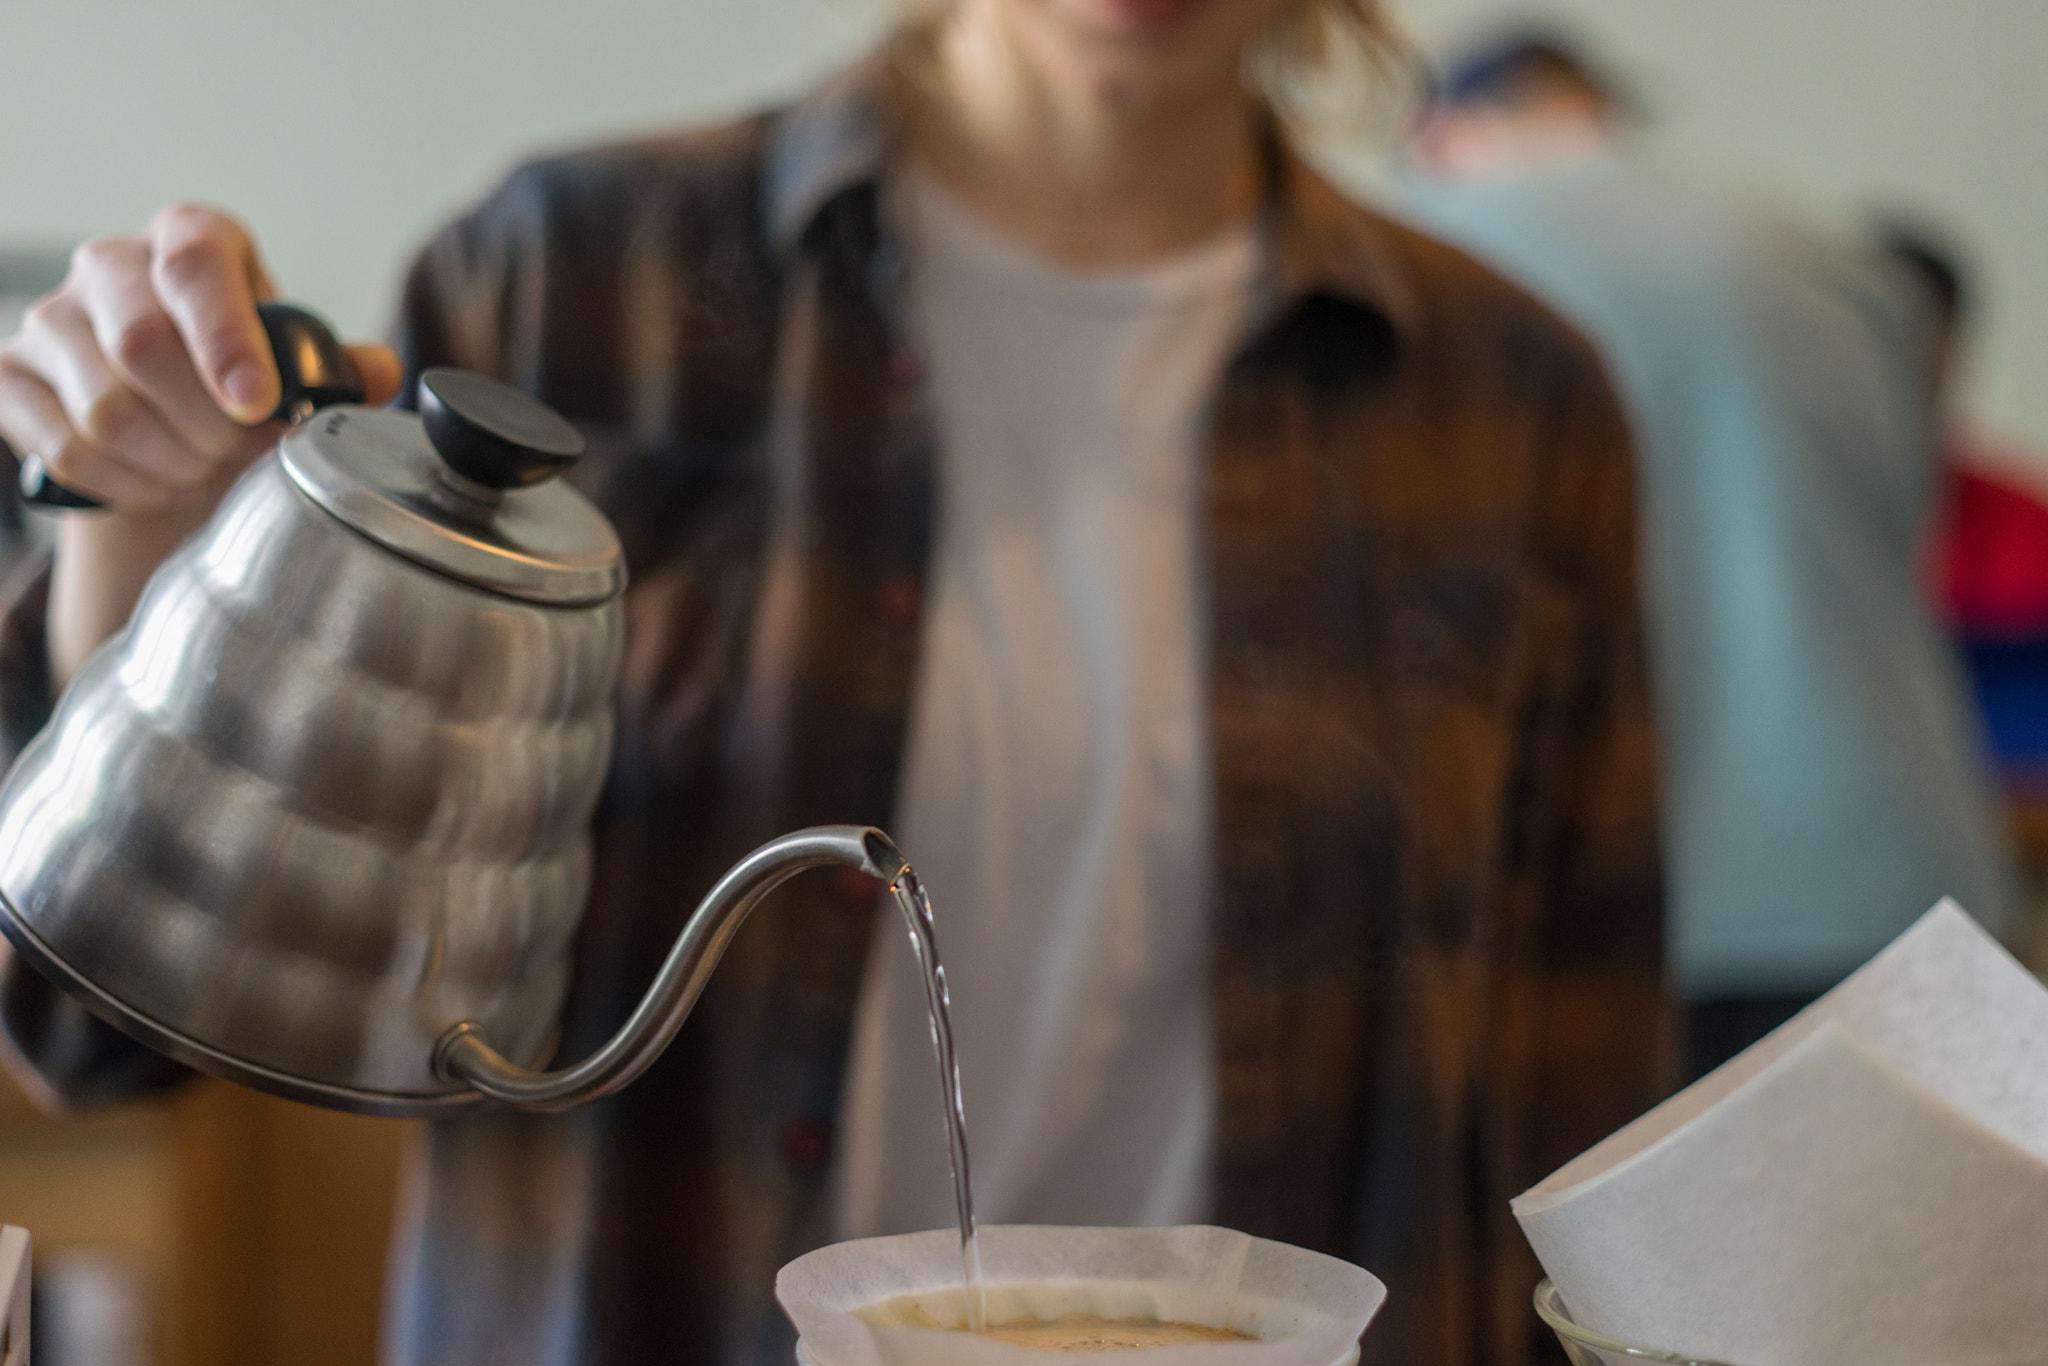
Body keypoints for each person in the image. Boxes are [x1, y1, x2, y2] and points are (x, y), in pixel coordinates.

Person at [0, 3, 1666, 1363]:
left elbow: (1576, 1107)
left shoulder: (1516, 403)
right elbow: (98, 1024)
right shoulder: (576, 280)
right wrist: (138, 518)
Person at [1404, 32, 2020, 1079]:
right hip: (1894, 879)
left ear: (1442, 132)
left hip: (1603, 909)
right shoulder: (1831, 257)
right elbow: (1905, 546)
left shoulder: (1424, 254)